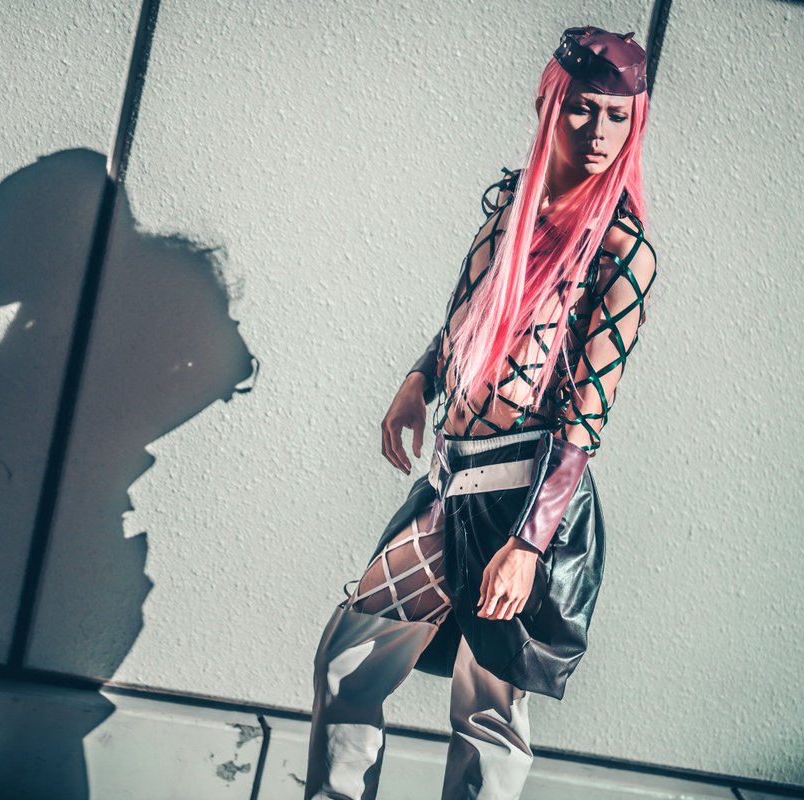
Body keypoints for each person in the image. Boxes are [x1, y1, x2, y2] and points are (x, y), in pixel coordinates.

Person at [303, 25, 659, 800]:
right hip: (449, 488)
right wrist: (419, 378)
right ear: (550, 102)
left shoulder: (620, 251)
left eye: (618, 117)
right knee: (348, 663)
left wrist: (528, 545)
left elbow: (585, 420)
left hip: (526, 502)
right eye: (583, 108)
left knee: (487, 711)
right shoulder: (511, 210)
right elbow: (472, 320)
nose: (599, 132)